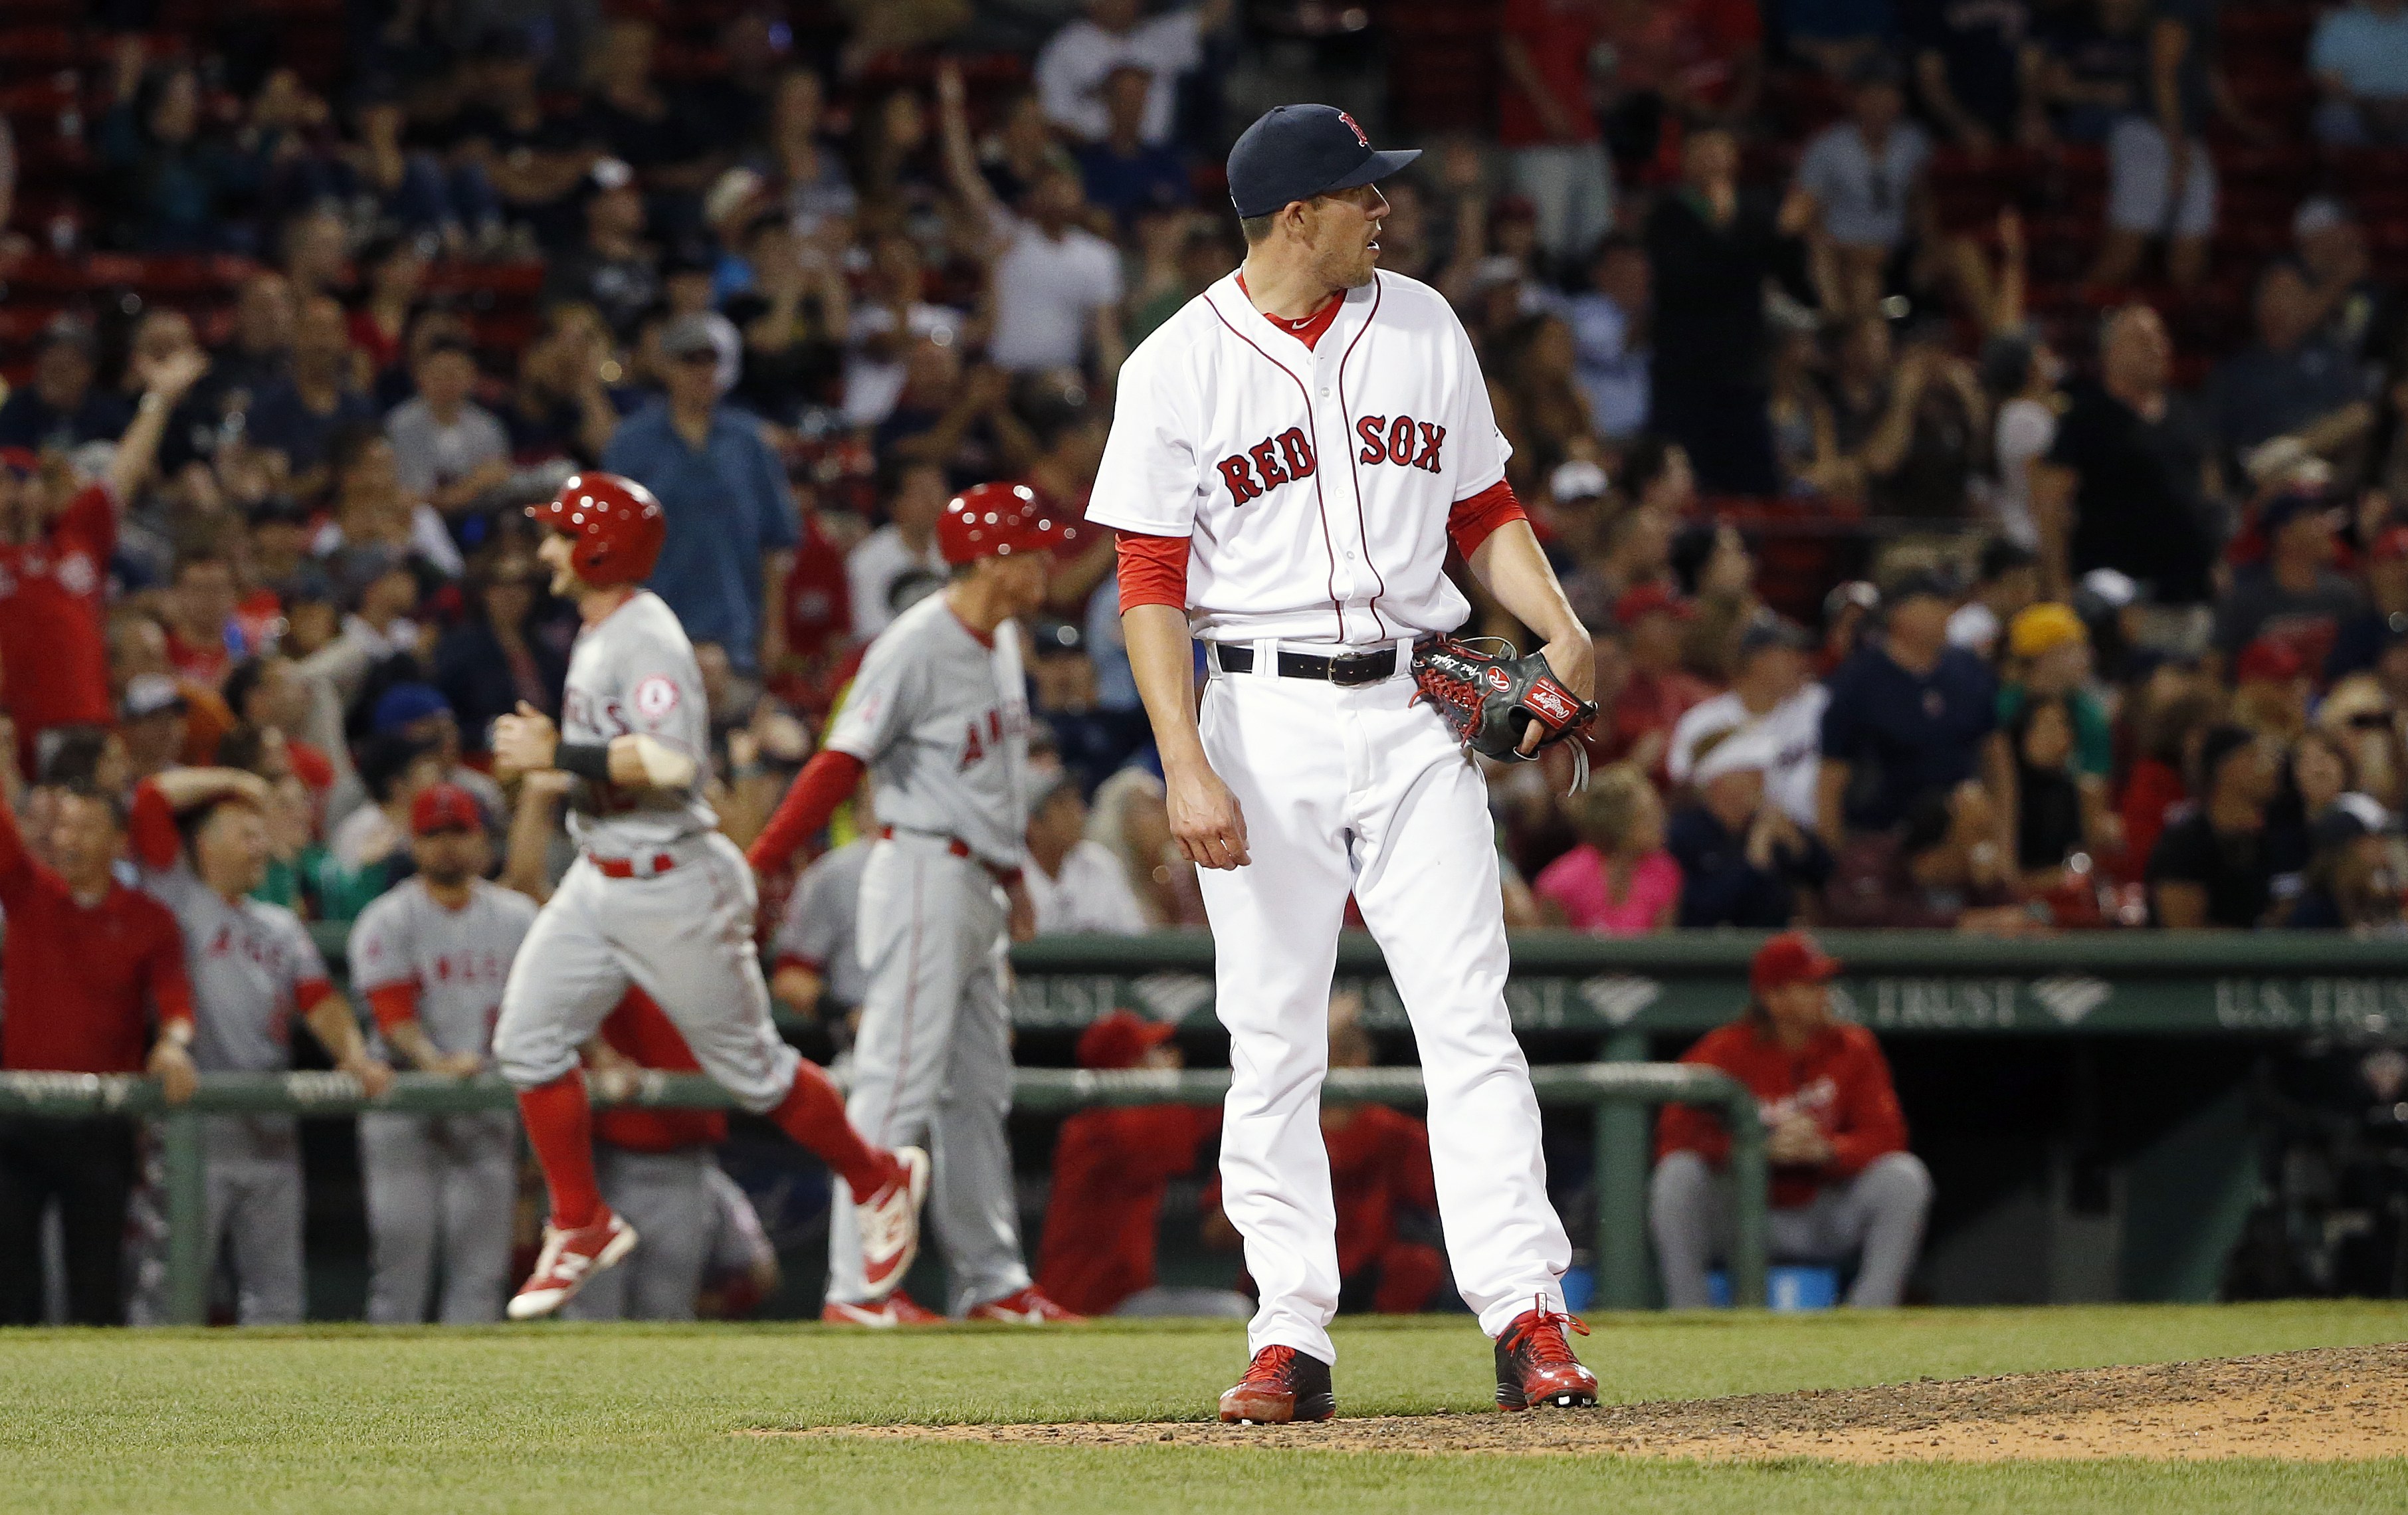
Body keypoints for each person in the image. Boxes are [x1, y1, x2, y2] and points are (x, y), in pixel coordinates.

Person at [1090, 104, 1599, 1423]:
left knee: (1468, 1017)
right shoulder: (1174, 365)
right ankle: (1289, 1332)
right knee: (1272, 1042)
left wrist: (1558, 622)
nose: (1388, 209)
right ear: (1298, 216)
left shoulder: (1425, 323)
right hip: (1259, 722)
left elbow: (1482, 508)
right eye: (1364, 194)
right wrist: (1184, 763)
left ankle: (1527, 1313)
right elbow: (1148, 582)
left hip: (1418, 713)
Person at [486, 472, 927, 1321]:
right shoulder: (597, 630)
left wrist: (559, 755)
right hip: (600, 873)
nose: (544, 548)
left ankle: (878, 1179)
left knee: (755, 1071)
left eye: (559, 533)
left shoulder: (645, 636)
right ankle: (579, 1219)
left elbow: (673, 763)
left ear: (600, 545)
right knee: (530, 1044)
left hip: (671, 881)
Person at [748, 482, 1083, 1328]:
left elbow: (989, 778)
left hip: (976, 879)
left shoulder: (1003, 640)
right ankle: (857, 1290)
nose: (1049, 562)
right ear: (993, 559)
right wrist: (762, 862)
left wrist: (1010, 881)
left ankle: (991, 1281)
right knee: (894, 1082)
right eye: (1033, 548)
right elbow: (838, 763)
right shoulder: (914, 642)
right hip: (923, 871)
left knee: (978, 1090)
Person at [128, 767, 393, 1325]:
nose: (259, 848)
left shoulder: (279, 926)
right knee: (174, 1293)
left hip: (270, 1125)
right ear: (206, 844)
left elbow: (320, 1000)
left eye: (260, 835)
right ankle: (146, 1410)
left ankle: (270, 1412)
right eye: (246, 835)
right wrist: (241, 783)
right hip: (192, 1123)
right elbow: (151, 800)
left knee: (278, 1300)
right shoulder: (177, 899)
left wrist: (351, 1051)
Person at [1652, 932, 1932, 1309]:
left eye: (1824, 982)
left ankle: (1870, 1317)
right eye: (1811, 984)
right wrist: (1755, 1150)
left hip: (1821, 1211)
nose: (1824, 993)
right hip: (1742, 1216)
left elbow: (1888, 1135)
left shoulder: (1854, 1047)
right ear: (1774, 998)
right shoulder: (1723, 1050)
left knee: (1904, 1176)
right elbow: (1673, 1138)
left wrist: (1828, 1149)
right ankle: (1690, 1314)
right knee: (1677, 1175)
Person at [0, 785, 196, 1326]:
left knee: (98, 1287)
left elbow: (175, 1000)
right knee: (10, 1289)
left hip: (100, 1122)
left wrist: (173, 1043)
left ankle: (95, 1408)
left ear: (118, 841)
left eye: (85, 828)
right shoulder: (27, 894)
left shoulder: (148, 920)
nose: (69, 840)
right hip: (19, 1115)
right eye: (63, 827)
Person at [343, 783, 530, 1326]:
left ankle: (468, 1403)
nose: (447, 846)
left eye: (459, 832)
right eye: (434, 834)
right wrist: (435, 1064)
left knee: (481, 1275)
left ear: (481, 840)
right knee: (401, 1264)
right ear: (414, 843)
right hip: (405, 1101)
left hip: (485, 1100)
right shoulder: (387, 918)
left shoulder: (517, 918)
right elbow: (394, 1017)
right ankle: (387, 1404)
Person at [601, 313, 800, 677]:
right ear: (667, 367)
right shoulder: (630, 443)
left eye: (711, 360)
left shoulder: (750, 441)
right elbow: (611, 544)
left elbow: (776, 543)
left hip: (736, 627)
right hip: (653, 624)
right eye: (689, 360)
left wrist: (773, 629)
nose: (701, 371)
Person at [1035, 1009, 1231, 1318]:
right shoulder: (1107, 1129)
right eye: (1151, 1052)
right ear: (1125, 1066)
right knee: (1232, 1312)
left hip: (1118, 1296)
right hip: (1092, 1305)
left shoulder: (1104, 1123)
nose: (1169, 1058)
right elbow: (1205, 1116)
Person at [2031, 305, 2219, 609]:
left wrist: (2216, 557)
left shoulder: (2186, 411)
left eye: (2160, 338)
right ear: (2111, 352)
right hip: (2116, 593)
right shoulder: (2085, 418)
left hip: (2188, 590)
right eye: (2142, 341)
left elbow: (2209, 489)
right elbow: (2050, 505)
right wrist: (2058, 582)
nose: (2156, 348)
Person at [1817, 573, 2012, 853]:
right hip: (1882, 836)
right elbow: (1831, 777)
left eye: (1947, 604)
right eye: (1935, 604)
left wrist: (2005, 842)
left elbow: (1997, 759)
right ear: (1900, 612)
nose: (1947, 613)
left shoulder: (1969, 670)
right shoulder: (1858, 682)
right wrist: (1833, 856)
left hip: (1959, 832)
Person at [1667, 615, 1825, 828]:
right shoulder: (1703, 722)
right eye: (1790, 655)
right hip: (1729, 842)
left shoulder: (1819, 705)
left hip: (1811, 845)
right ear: (1757, 662)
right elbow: (1687, 790)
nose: (1801, 663)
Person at [1669, 726, 1834, 928]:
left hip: (1773, 947)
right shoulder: (1682, 834)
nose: (1760, 780)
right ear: (1717, 780)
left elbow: (1826, 874)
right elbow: (1701, 909)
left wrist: (1797, 843)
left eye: (1761, 772)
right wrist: (1755, 859)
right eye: (1748, 772)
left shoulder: (1768, 822)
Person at [1496, 0, 1616, 272]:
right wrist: (1547, 107)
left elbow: (1598, 51)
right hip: (1537, 136)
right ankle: (1541, 307)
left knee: (1597, 234)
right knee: (1546, 241)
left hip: (1586, 131)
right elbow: (1510, 46)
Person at [2148, 723, 2280, 928]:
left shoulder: (2263, 839)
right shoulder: (2185, 843)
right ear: (2224, 768)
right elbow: (2184, 935)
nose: (2271, 768)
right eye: (2254, 757)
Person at [1533, 764, 1681, 934]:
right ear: (1617, 821)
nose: (1659, 823)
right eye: (1647, 816)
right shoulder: (1562, 884)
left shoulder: (1666, 873)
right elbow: (1553, 952)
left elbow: (1661, 951)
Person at [1024, 774, 1150, 933]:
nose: (1079, 812)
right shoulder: (1009, 876)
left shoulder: (1100, 863)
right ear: (1032, 823)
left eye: (1076, 801)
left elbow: (1134, 937)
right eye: (1063, 805)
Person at [848, 461, 950, 640]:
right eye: (922, 493)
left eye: (938, 490)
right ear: (894, 504)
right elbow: (871, 631)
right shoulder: (868, 559)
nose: (934, 501)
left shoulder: (958, 551)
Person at [2312, 0, 2408, 144]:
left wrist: (2400, 106)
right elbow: (2329, 80)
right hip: (2356, 105)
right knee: (2335, 118)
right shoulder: (2340, 22)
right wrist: (2371, 105)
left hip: (2405, 106)